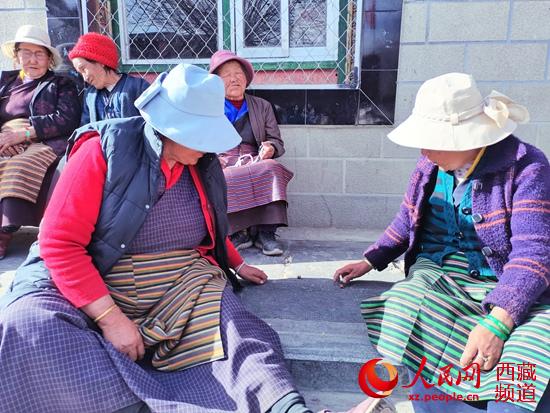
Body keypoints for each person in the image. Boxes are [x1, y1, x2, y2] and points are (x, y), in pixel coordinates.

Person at [0, 64, 376, 413]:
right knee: (29, 324)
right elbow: (60, 244)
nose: (211, 146)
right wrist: (110, 318)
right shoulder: (104, 150)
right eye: (202, 135)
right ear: (171, 127)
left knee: (238, 332)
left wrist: (236, 263)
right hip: (95, 276)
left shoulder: (203, 164)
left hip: (180, 281)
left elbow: (210, 226)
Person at [335, 73, 550, 412]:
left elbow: (534, 253)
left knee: (524, 357)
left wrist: (498, 322)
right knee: (405, 303)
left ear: (467, 139)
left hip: (507, 279)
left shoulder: (527, 168)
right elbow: (407, 219)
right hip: (443, 274)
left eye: (432, 141)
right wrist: (371, 259)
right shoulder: (429, 165)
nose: (423, 150)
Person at [0, 24, 80, 259]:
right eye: (26, 53)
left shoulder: (61, 84)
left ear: (49, 59)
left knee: (19, 165)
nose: (32, 60)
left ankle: (4, 232)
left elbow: (66, 119)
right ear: (17, 56)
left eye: (39, 54)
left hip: (44, 142)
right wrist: (5, 138)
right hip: (6, 139)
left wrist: (25, 134)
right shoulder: (5, 83)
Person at [209, 50, 293, 256]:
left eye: (238, 73)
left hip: (254, 159)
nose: (234, 79)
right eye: (227, 74)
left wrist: (270, 148)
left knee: (272, 169)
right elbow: (199, 141)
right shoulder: (208, 108)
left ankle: (266, 233)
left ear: (246, 78)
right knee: (223, 176)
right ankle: (238, 233)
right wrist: (211, 158)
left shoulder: (262, 106)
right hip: (223, 159)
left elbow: (276, 141)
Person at [69, 32, 149, 125]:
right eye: (80, 73)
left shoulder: (138, 87)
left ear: (100, 62)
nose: (85, 78)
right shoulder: (90, 96)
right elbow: (86, 128)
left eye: (83, 69)